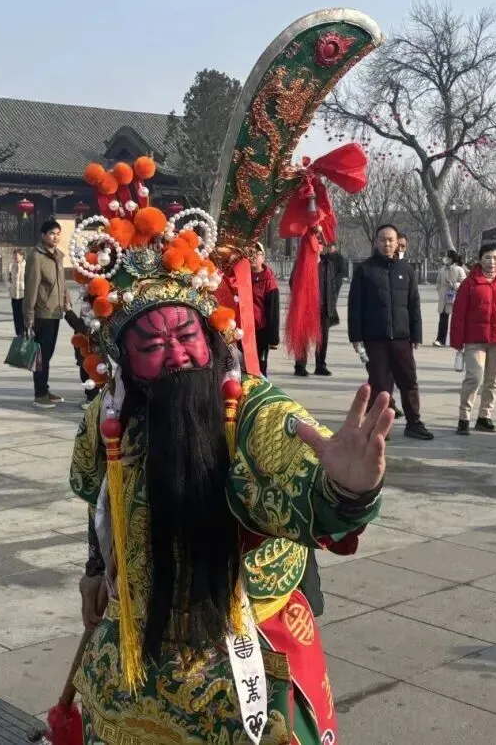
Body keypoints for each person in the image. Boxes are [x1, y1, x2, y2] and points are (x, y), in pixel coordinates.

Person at [68, 189, 387, 744]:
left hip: (243, 640)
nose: (176, 354)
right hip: (136, 642)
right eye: (153, 344)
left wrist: (345, 490)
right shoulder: (111, 416)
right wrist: (96, 569)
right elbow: (99, 496)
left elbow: (293, 464)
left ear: (211, 335)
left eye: (185, 335)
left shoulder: (250, 408)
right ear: (125, 362)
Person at [348, 224, 434, 440]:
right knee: (380, 383)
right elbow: (355, 306)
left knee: (409, 381)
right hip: (374, 338)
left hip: (402, 338)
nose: (387, 243)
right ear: (376, 242)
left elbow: (414, 304)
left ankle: (414, 422)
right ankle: (378, 426)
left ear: (397, 243)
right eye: (382, 239)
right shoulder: (365, 270)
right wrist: (356, 337)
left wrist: (416, 334)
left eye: (391, 240)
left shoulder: (406, 270)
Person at [450, 242, 496, 434]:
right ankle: (464, 417)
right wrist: (457, 341)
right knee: (474, 377)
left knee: (494, 380)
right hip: (475, 340)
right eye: (487, 257)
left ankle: (484, 416)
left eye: (495, 258)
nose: (492, 262)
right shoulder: (469, 283)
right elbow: (459, 313)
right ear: (480, 260)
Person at [24, 219, 70, 409]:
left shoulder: (57, 256)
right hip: (42, 313)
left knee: (47, 355)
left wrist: (66, 299)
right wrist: (29, 316)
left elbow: (62, 282)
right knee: (41, 357)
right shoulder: (36, 257)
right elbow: (31, 288)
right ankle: (39, 394)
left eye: (58, 233)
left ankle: (45, 388)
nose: (55, 237)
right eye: (52, 233)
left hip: (55, 312)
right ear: (43, 235)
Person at [293, 231, 342, 377]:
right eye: (316, 242)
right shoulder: (302, 263)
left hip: (323, 305)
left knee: (323, 337)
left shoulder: (327, 264)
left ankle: (320, 365)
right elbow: (292, 282)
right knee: (303, 336)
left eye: (320, 243)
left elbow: (332, 284)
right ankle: (300, 365)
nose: (318, 245)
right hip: (306, 306)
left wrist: (331, 301)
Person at [249, 242, 280, 375]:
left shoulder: (269, 281)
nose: (253, 257)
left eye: (257, 254)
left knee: (260, 367)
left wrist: (273, 337)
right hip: (242, 330)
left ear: (263, 257)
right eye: (250, 254)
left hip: (260, 331)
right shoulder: (241, 276)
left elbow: (273, 311)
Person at [433, 250, 466, 347]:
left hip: (455, 297)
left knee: (457, 320)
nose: (445, 258)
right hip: (444, 298)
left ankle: (458, 340)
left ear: (452, 258)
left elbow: (464, 282)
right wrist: (440, 290)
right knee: (442, 319)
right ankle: (440, 340)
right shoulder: (442, 269)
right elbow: (438, 282)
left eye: (447, 256)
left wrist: (454, 285)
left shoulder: (459, 269)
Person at [8, 248, 27, 336]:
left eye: (17, 255)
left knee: (23, 315)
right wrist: (9, 287)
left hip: (23, 294)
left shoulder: (27, 266)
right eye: (14, 255)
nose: (15, 257)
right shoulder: (12, 266)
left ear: (22, 256)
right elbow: (7, 278)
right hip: (14, 294)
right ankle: (19, 333)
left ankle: (25, 332)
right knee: (16, 315)